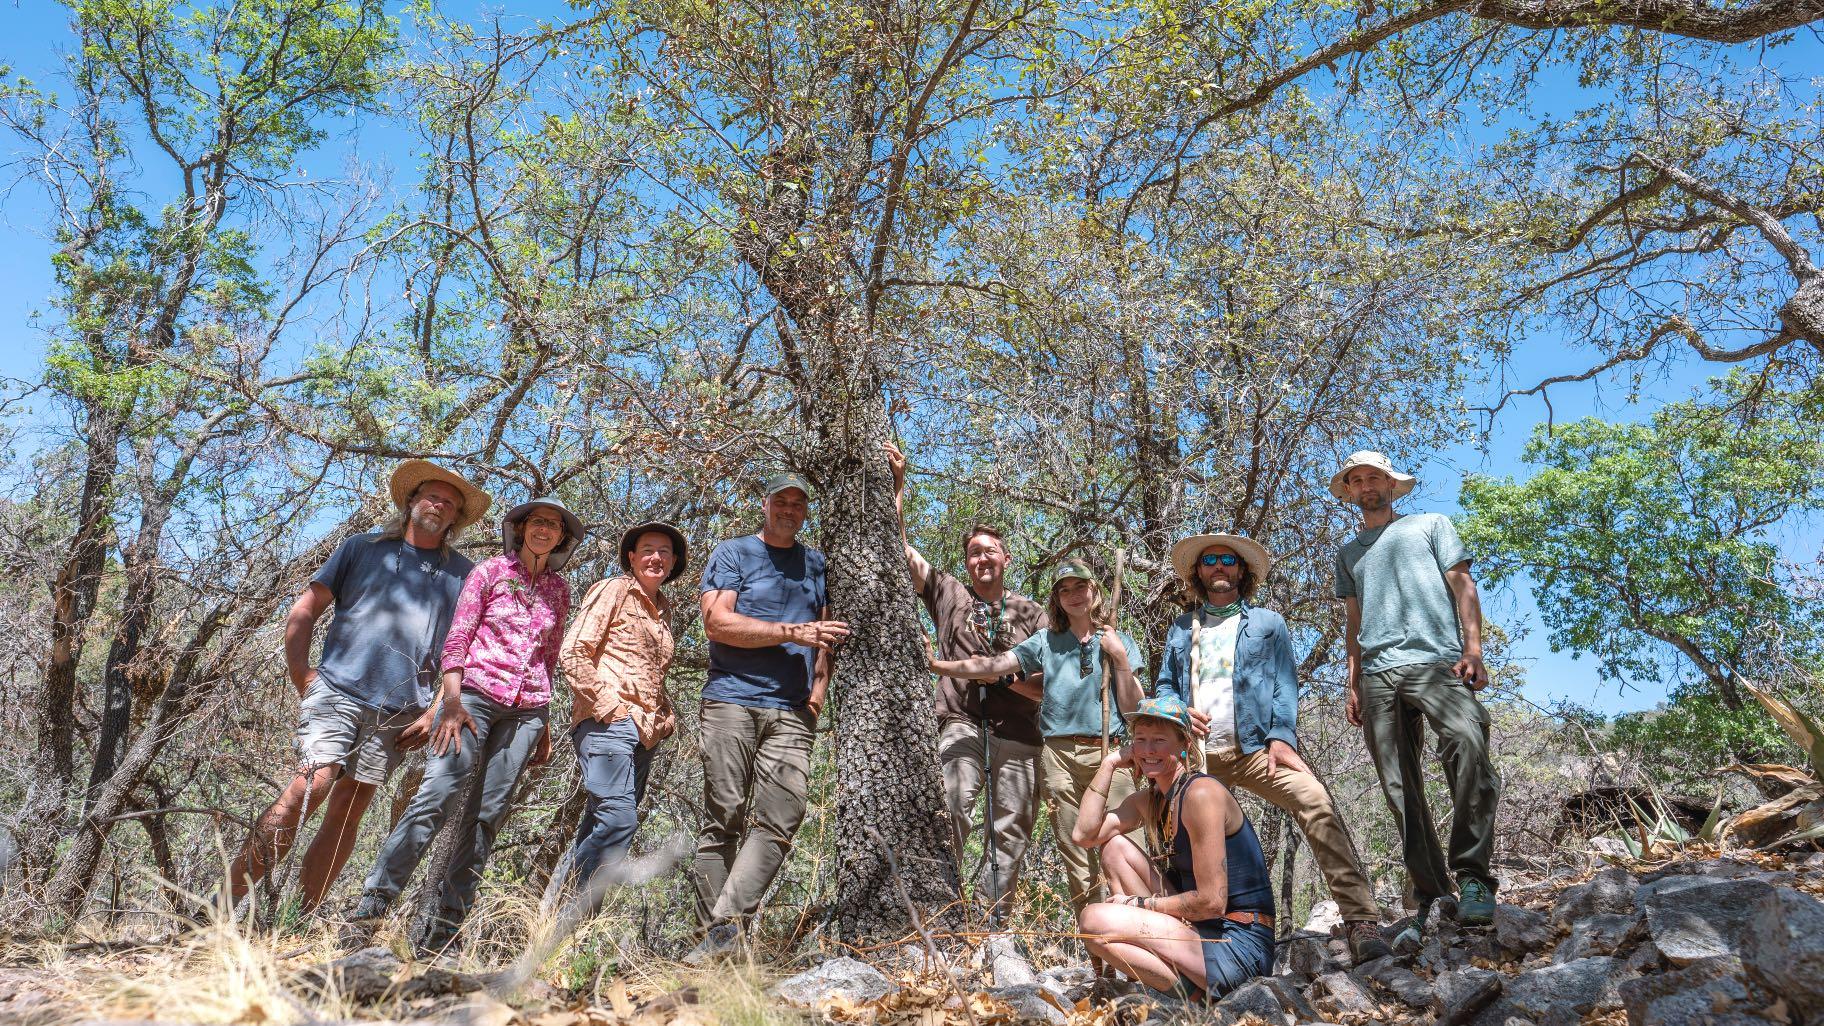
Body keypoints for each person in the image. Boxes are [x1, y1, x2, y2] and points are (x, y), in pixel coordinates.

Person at [224, 460, 486, 914]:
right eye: (432, 496)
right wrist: (301, 675)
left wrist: (434, 711)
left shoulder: (463, 575)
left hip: (401, 712)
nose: (439, 506)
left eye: (450, 504)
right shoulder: (362, 548)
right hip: (338, 690)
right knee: (314, 783)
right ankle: (222, 905)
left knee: (348, 809)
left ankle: (297, 921)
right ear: (411, 501)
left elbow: (462, 650)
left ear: (456, 520)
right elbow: (306, 609)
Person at [351, 496, 581, 948]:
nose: (544, 530)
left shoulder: (560, 589)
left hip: (528, 710)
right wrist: (450, 702)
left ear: (560, 538)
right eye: (537, 522)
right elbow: (457, 640)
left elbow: (548, 656)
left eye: (554, 526)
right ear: (520, 529)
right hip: (473, 697)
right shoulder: (490, 572)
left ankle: (444, 933)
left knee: (487, 815)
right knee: (437, 795)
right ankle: (370, 911)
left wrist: (546, 719)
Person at [1155, 532, 1391, 962]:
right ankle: (1172, 935)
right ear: (1199, 572)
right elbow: (1166, 687)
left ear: (1241, 570)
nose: (1219, 566)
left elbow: (1285, 683)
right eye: (1210, 561)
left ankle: (1360, 920)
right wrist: (1175, 710)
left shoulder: (1267, 623)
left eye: (1228, 559)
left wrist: (1282, 737)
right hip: (1195, 758)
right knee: (1164, 835)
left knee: (1314, 801)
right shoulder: (1180, 628)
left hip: (1254, 751)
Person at [1331, 450, 1500, 937]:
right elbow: (1354, 622)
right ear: (1350, 491)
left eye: (1374, 477)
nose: (1366, 485)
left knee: (1468, 738)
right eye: (1357, 480)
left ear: (1391, 484)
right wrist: (1352, 681)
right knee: (1399, 787)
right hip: (1377, 675)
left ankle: (1473, 876)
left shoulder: (1430, 524)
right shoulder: (1349, 553)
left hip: (1435, 662)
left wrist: (1473, 648)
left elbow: (1462, 584)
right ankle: (1432, 893)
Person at [687, 472, 849, 962]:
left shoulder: (817, 564)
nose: (790, 510)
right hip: (731, 701)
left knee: (783, 815)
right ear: (766, 504)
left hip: (793, 711)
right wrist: (790, 632)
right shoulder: (733, 554)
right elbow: (717, 622)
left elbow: (827, 636)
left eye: (799, 503)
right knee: (725, 818)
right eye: (782, 501)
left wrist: (818, 695)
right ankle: (711, 949)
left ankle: (723, 934)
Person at [884, 442, 1045, 919]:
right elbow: (900, 550)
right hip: (960, 723)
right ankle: (944, 912)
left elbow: (1042, 687)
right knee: (952, 804)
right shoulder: (949, 594)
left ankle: (992, 922)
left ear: (1006, 558)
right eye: (973, 553)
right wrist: (898, 485)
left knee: (1011, 828)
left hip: (1019, 733)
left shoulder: (1032, 613)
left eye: (989, 552)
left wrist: (1001, 678)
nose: (980, 560)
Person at [932, 561, 1144, 911]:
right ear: (1056, 599)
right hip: (1058, 757)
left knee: (1127, 847)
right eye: (1065, 590)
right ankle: (1098, 954)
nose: (1074, 595)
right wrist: (940, 666)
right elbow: (995, 665)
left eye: (1081, 587)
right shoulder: (1046, 640)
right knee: (1077, 858)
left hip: (1111, 755)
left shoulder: (1117, 640)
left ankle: (1139, 939)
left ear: (1095, 590)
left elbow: (1133, 707)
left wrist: (1119, 659)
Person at [1073, 695, 1276, 1003]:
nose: (1147, 750)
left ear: (1184, 744)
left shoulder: (1202, 794)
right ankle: (1180, 989)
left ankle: (1192, 999)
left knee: (1093, 921)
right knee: (1113, 847)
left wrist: (1139, 905)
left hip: (1237, 941)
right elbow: (1085, 835)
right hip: (1196, 930)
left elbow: (1211, 902)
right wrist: (1110, 764)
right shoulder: (1151, 799)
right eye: (1140, 740)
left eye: (1159, 740)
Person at [560, 520, 689, 904]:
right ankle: (572, 913)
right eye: (647, 550)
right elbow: (574, 652)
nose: (655, 558)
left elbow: (651, 675)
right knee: (618, 821)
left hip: (645, 734)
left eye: (664, 552)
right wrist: (610, 708)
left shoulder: (664, 610)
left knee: (601, 826)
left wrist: (665, 717)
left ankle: (563, 929)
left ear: (673, 562)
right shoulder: (613, 590)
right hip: (607, 725)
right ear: (631, 557)